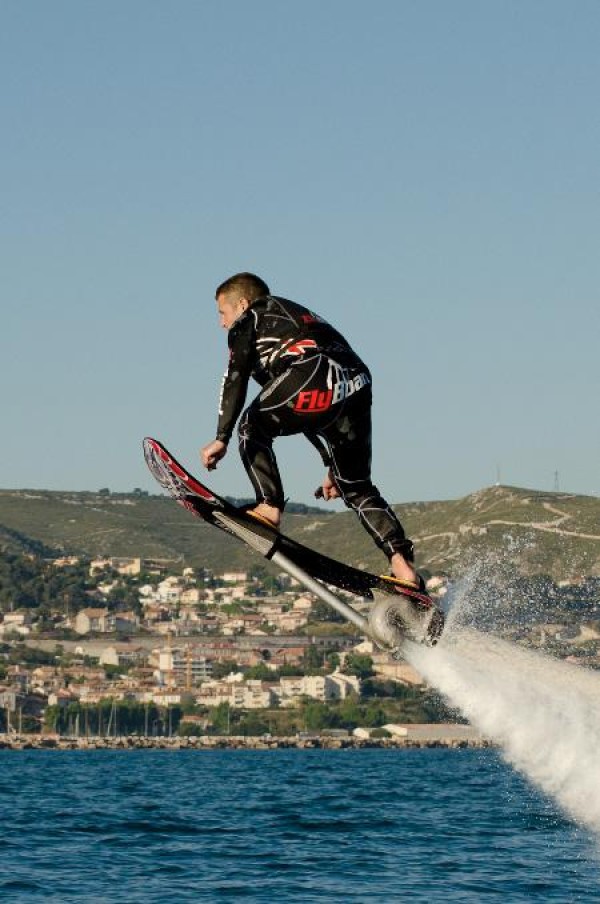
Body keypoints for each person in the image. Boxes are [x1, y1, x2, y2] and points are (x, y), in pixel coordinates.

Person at [200, 272, 419, 586]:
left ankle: (269, 508)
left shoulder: (251, 318)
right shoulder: (299, 317)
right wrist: (331, 464)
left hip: (312, 370)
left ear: (243, 304)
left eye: (223, 312)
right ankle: (404, 566)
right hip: (356, 382)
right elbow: (309, 407)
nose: (222, 323)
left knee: (251, 425)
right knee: (355, 486)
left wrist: (221, 437)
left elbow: (236, 376)